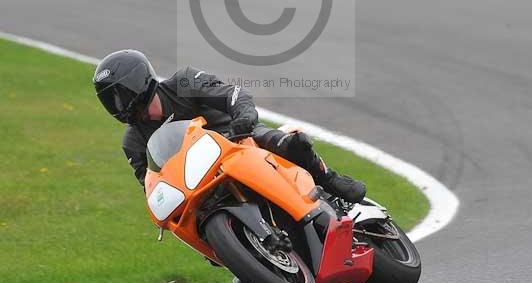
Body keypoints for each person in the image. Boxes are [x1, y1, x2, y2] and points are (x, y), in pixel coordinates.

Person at [93, 49, 366, 204]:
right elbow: (151, 185)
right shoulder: (133, 143)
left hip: (239, 140)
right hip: (202, 183)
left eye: (118, 95)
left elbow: (232, 94)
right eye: (109, 100)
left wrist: (243, 117)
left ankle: (329, 179)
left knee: (290, 144)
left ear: (136, 83)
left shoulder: (184, 82)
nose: (116, 104)